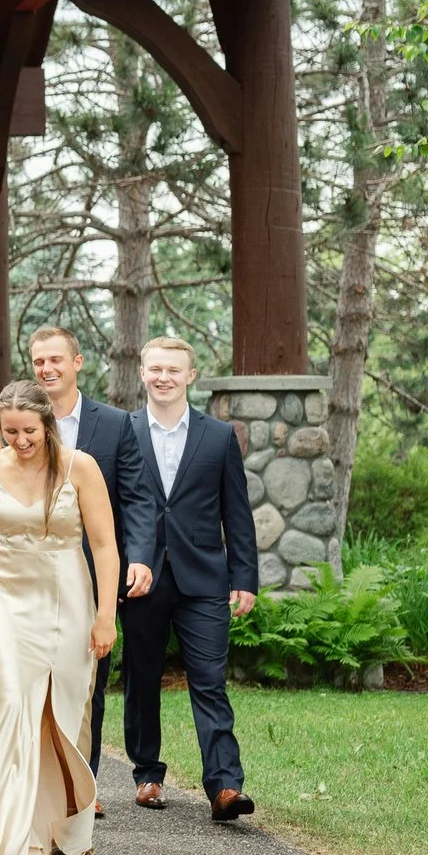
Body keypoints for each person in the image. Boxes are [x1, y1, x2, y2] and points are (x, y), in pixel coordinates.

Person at [0, 381, 119, 855]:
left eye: (28, 432)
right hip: (3, 597)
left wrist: (106, 615)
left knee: (58, 711)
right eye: (9, 431)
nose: (19, 441)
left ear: (47, 426)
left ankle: (65, 825)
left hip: (66, 596)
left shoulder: (79, 467)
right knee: (9, 705)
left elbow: (104, 546)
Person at [124, 336, 259, 822]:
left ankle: (225, 785)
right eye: (155, 369)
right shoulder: (125, 430)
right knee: (141, 679)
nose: (163, 377)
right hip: (141, 576)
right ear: (142, 373)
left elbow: (236, 511)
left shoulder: (218, 436)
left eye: (173, 370)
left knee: (208, 680)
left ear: (190, 376)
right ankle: (147, 775)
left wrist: (244, 577)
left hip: (203, 576)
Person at [26, 327, 157, 783]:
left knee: (87, 683)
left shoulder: (115, 424)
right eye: (39, 361)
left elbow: (138, 498)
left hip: (90, 571)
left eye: (56, 360)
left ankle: (83, 783)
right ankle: (35, 780)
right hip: (28, 569)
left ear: (77, 362)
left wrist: (138, 557)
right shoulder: (20, 421)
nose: (47, 369)